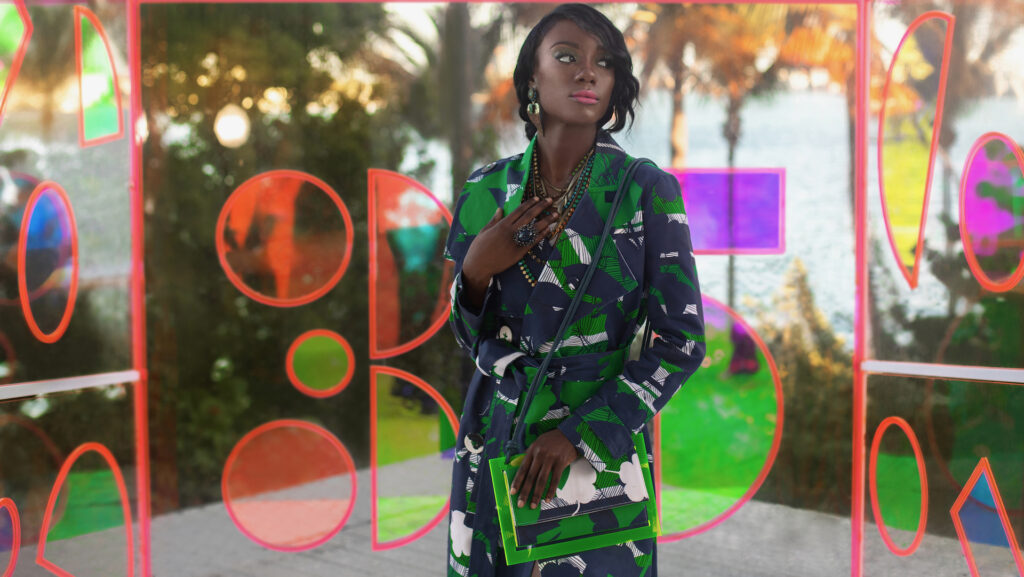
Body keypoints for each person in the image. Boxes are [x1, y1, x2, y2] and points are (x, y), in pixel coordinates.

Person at [443, 5, 705, 577]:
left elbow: (681, 342)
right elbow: (465, 332)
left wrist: (577, 435)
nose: (587, 73)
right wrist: (476, 272)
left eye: (603, 64)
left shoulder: (645, 191)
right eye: (567, 57)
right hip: (495, 433)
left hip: (594, 448)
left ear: (614, 87)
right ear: (532, 77)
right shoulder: (486, 189)